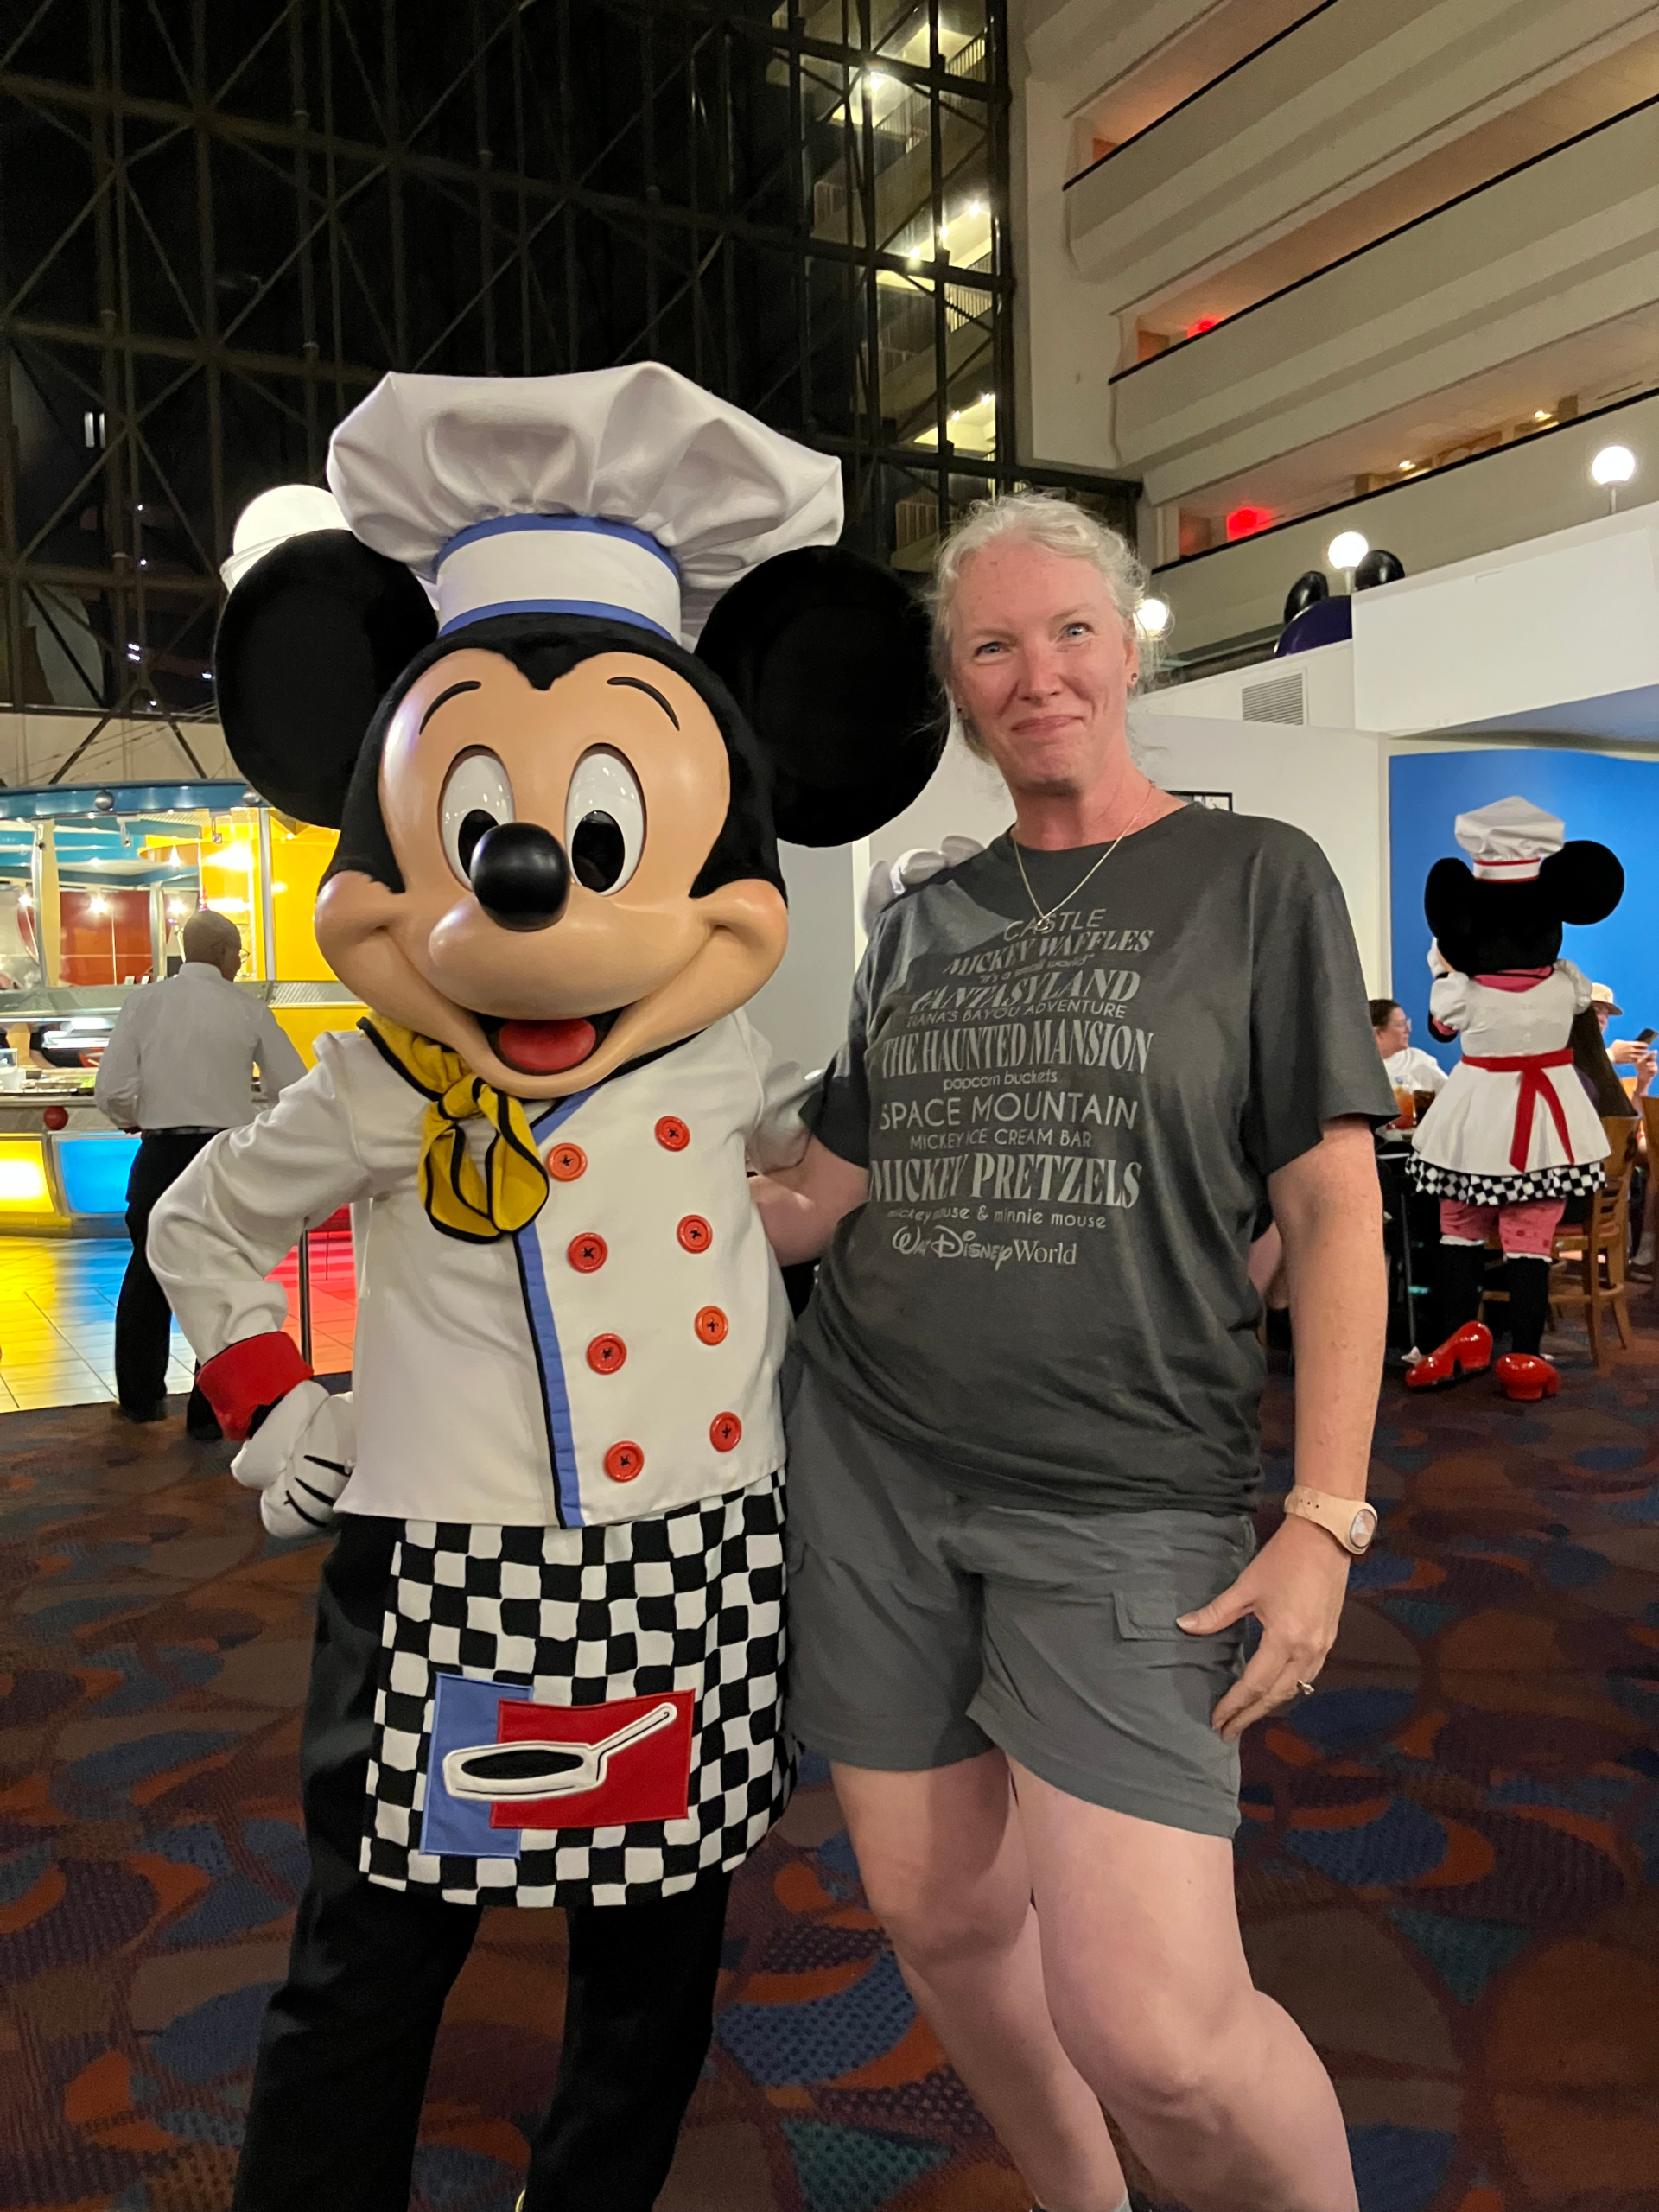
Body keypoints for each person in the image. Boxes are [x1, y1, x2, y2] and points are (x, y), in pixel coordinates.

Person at [145, 365, 941, 2212]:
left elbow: (804, 1168)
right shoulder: (382, 1074)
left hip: (692, 1547)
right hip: (448, 1552)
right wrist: (273, 1395)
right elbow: (200, 1223)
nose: (534, 894)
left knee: (655, 1957)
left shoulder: (721, 1056)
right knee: (375, 1946)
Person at [752, 492, 1393, 2212]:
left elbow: (1332, 1209)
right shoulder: (915, 922)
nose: (1036, 673)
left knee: (1161, 2034)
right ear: (955, 687)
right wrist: (589, 1178)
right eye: (992, 646)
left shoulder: (1255, 879)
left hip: (1122, 1486)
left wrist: (1326, 1514)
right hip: (870, 1467)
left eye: (1070, 632)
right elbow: (817, 1198)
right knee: (941, 1918)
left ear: (1127, 647)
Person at [94, 906, 304, 1434]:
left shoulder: (144, 1002)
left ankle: (140, 1400)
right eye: (239, 952)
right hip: (224, 1158)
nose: (240, 962)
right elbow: (292, 1086)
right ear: (221, 951)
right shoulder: (246, 1008)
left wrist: (137, 1117)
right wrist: (256, 1124)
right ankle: (210, 1415)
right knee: (223, 1278)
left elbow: (112, 1089)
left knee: (147, 1271)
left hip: (160, 1156)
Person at [1370, 995, 1446, 1096]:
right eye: (1401, 1024)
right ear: (1377, 1033)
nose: (1408, 1030)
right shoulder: (1358, 1067)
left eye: (1407, 1023)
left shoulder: (1418, 1061)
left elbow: (1450, 1094)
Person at [1590, 982, 1656, 1091]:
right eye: (1596, 1010)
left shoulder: (1601, 1066)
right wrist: (1611, 1056)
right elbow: (1567, 1076)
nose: (1603, 1019)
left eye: (1607, 1015)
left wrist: (1643, 1081)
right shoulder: (1562, 1042)